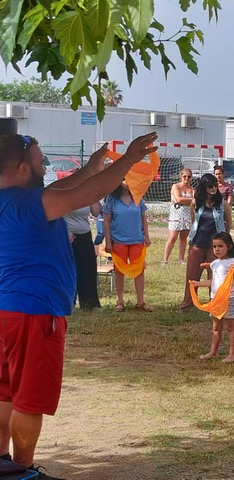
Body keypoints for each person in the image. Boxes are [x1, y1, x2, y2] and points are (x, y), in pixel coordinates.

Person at [0, 131, 157, 477]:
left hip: (7, 310)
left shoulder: (9, 198)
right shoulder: (30, 203)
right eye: (40, 163)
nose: (46, 168)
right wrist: (130, 159)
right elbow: (86, 195)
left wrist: (89, 168)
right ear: (23, 168)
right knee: (28, 399)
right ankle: (22, 471)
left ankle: (3, 465)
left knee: (5, 394)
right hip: (34, 312)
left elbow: (63, 188)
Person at [179, 174, 232, 313]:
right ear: (204, 187)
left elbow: (228, 222)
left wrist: (224, 239)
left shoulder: (222, 203)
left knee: (215, 275)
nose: (213, 188)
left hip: (215, 245)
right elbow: (193, 221)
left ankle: (215, 303)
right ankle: (187, 303)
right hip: (197, 242)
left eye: (215, 185)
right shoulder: (196, 202)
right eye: (210, 186)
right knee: (192, 274)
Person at [103, 179, 152, 312]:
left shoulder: (138, 197)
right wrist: (108, 241)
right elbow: (106, 221)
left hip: (137, 240)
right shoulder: (111, 199)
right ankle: (120, 301)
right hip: (118, 240)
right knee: (119, 271)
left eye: (129, 179)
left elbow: (143, 217)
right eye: (124, 179)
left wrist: (146, 236)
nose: (127, 182)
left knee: (139, 270)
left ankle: (140, 301)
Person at [193, 232, 234, 362]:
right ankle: (213, 351)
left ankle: (232, 354)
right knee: (216, 327)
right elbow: (213, 281)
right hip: (215, 299)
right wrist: (199, 284)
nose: (217, 249)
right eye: (214, 246)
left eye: (220, 246)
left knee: (230, 327)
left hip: (228, 299)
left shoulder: (232, 262)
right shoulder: (215, 263)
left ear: (229, 246)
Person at [64, 203, 102, 311]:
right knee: (71, 270)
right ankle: (69, 303)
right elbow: (57, 215)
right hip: (68, 236)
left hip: (85, 234)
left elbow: (96, 213)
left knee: (89, 269)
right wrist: (65, 231)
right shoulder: (63, 194)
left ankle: (90, 303)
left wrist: (93, 198)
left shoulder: (86, 196)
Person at [162, 168, 194, 264]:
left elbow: (195, 201)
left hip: (187, 214)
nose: (186, 178)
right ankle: (165, 259)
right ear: (181, 176)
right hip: (176, 214)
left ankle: (181, 259)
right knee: (173, 237)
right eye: (185, 176)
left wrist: (186, 201)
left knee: (183, 237)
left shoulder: (192, 189)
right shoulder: (175, 186)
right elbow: (178, 199)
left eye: (189, 176)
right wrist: (190, 200)